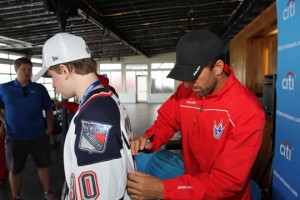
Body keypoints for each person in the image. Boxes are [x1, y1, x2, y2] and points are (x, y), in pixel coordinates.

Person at [127, 30, 265, 199]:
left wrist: (165, 189)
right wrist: (149, 139)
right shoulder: (187, 90)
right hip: (191, 187)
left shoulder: (247, 110)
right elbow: (166, 122)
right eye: (184, 77)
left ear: (218, 68)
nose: (186, 84)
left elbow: (227, 181)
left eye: (193, 76)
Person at [32, 32, 134, 200]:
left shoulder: (94, 116)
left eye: (52, 76)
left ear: (64, 70)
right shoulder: (102, 100)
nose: (53, 84)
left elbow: (103, 192)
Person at [0, 57, 57, 200]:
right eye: (23, 69)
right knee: (15, 169)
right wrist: (4, 121)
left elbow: (48, 109)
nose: (27, 72)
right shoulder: (4, 88)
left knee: (44, 165)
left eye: (30, 69)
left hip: (38, 135)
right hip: (15, 137)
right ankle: (15, 196)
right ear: (16, 70)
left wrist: (49, 128)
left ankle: (48, 192)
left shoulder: (39, 89)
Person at [54, 74, 118, 114]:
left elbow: (88, 113)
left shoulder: (98, 92)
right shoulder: (98, 88)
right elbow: (86, 109)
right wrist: (67, 105)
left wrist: (67, 105)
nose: (53, 84)